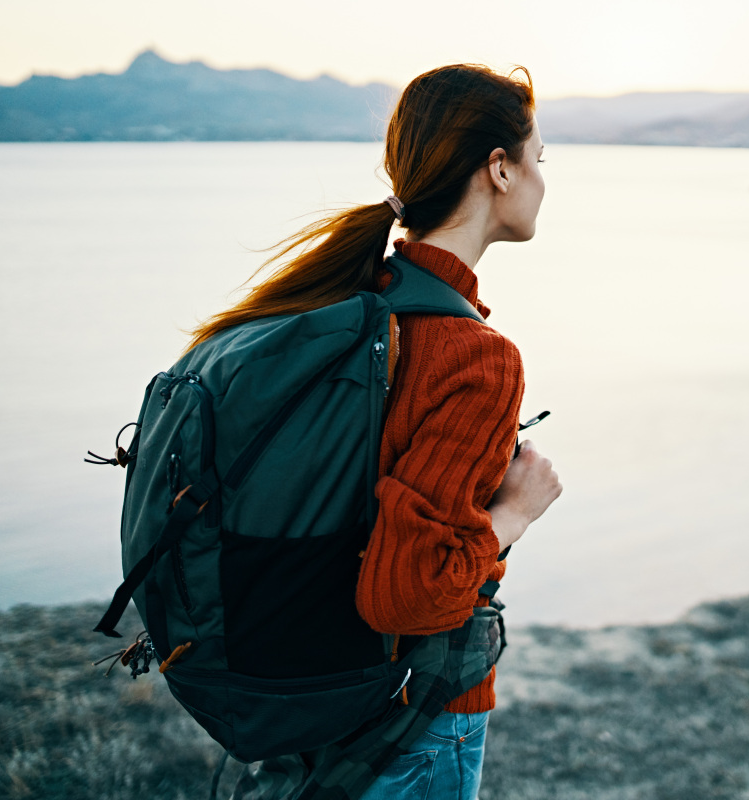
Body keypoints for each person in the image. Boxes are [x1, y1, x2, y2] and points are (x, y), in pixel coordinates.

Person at [190, 64, 562, 800]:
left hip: (321, 695)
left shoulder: (351, 304)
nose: (542, 181)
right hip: (413, 723)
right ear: (498, 169)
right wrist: (514, 514)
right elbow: (410, 595)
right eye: (538, 160)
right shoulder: (475, 358)